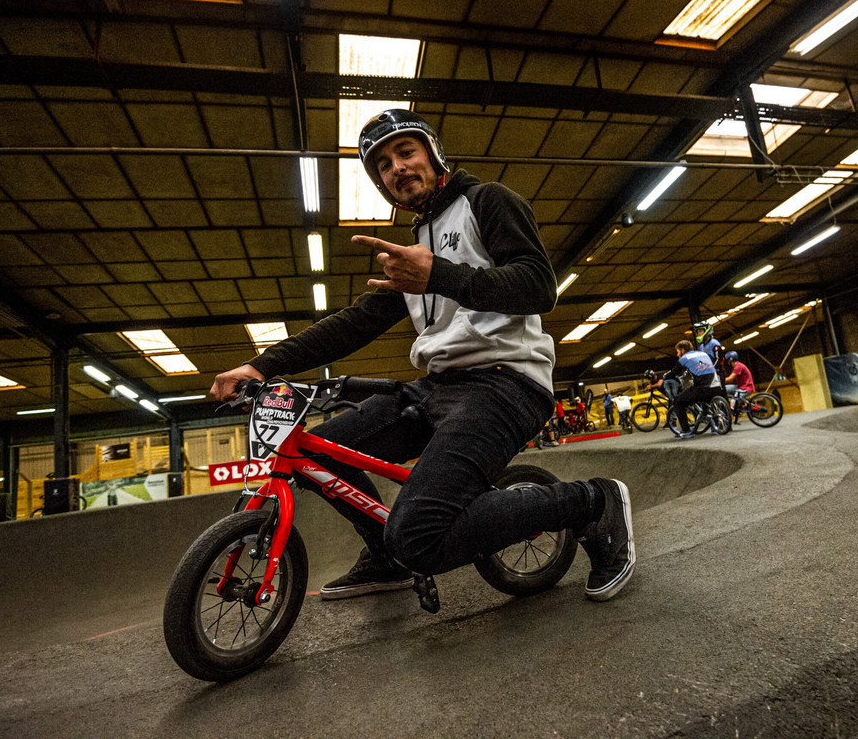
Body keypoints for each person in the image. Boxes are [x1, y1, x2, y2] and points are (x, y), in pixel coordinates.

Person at [210, 109, 634, 603]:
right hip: (436, 387)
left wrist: (441, 276)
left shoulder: (487, 201)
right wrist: (261, 365)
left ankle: (593, 500)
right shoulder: (413, 247)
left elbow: (540, 287)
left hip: (506, 382)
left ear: (433, 155)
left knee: (418, 536)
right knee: (317, 453)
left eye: (406, 152)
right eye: (384, 165)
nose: (397, 168)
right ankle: (385, 557)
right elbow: (355, 322)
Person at [665, 339, 724, 440]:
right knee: (707, 399)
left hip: (702, 389)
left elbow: (674, 372)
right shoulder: (702, 353)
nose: (677, 354)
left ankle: (686, 431)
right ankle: (715, 427)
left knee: (678, 401)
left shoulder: (684, 358)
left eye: (678, 352)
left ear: (682, 350)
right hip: (717, 386)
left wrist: (665, 376)